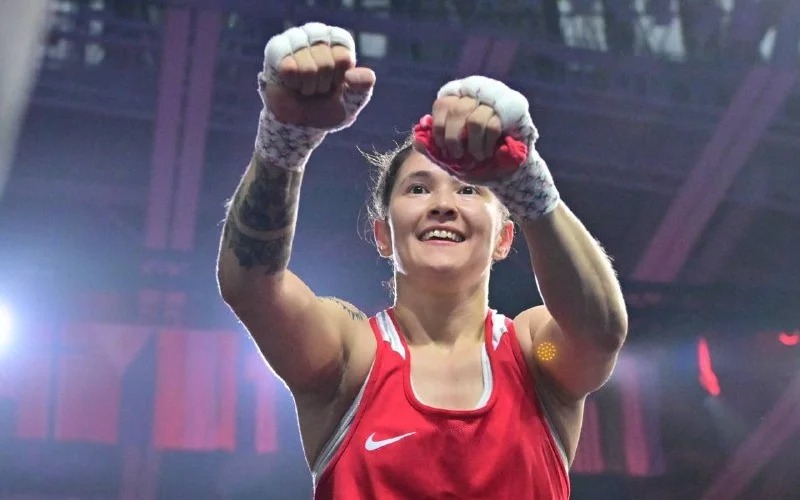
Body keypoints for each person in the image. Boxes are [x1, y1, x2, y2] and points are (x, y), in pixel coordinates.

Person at [217, 22, 628, 499]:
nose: (442, 205)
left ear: (503, 238)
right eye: (417, 188)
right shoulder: (349, 360)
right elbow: (251, 287)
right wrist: (283, 140)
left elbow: (599, 333)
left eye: (468, 190)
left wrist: (527, 183)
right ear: (383, 236)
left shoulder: (541, 357)